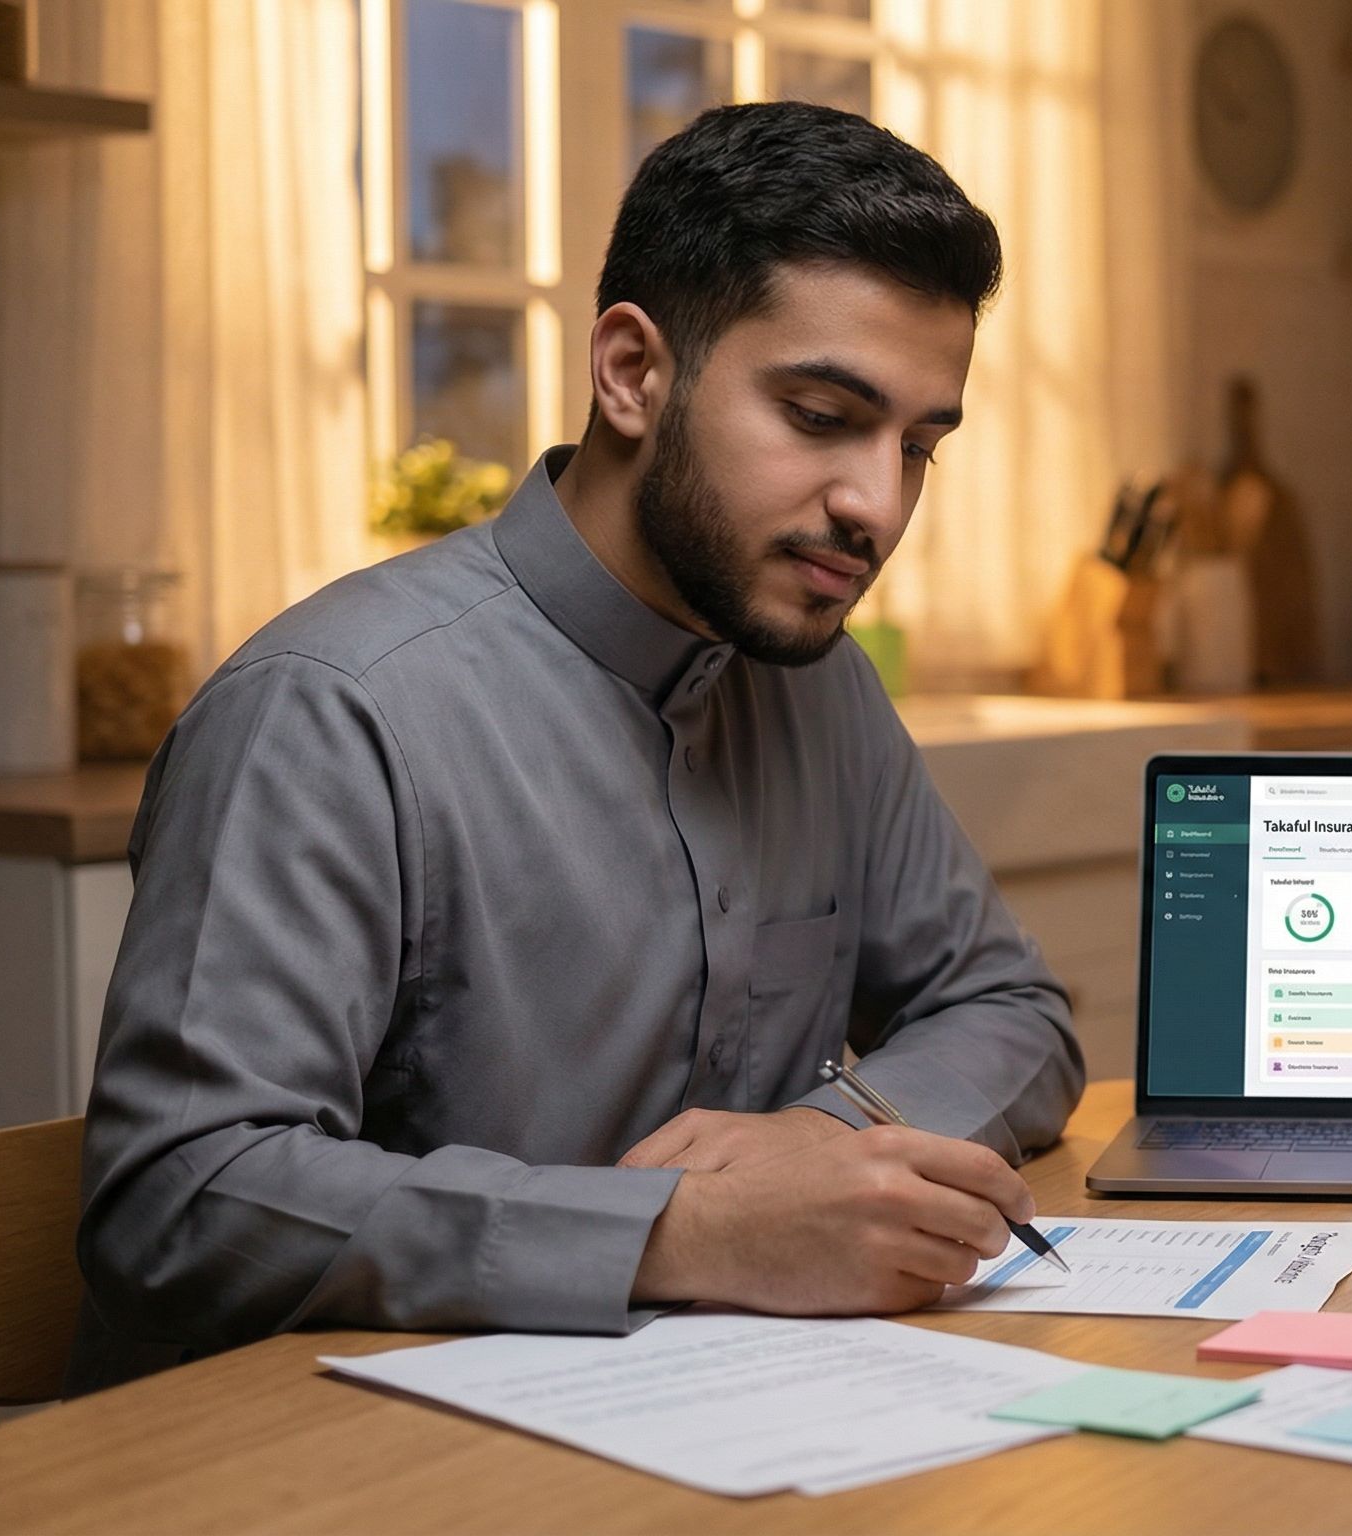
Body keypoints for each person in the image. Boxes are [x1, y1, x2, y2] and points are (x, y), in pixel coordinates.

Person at [72, 103, 1084, 1391]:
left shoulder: (814, 684)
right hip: (320, 1467)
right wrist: (685, 1230)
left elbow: (1011, 1011)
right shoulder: (330, 710)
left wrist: (815, 1149)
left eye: (918, 447)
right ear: (631, 374)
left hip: (719, 1423)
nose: (877, 505)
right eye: (824, 416)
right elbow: (179, 1196)